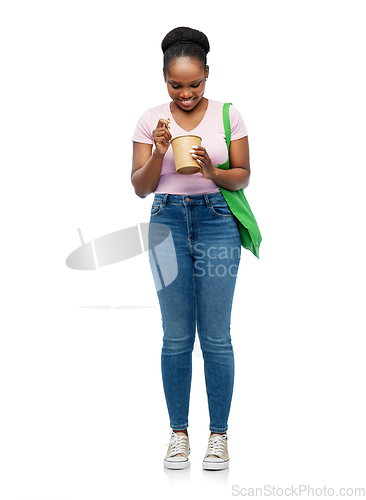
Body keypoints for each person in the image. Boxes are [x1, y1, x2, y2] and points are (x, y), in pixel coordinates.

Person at [131, 27, 251, 471]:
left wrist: (213, 171)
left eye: (194, 84)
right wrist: (159, 154)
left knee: (216, 335)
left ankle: (218, 436)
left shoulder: (228, 115)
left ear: (207, 75)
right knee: (176, 336)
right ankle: (178, 434)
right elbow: (141, 189)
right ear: (165, 78)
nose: (186, 93)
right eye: (176, 85)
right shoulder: (150, 120)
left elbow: (243, 175)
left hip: (218, 222)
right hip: (165, 224)